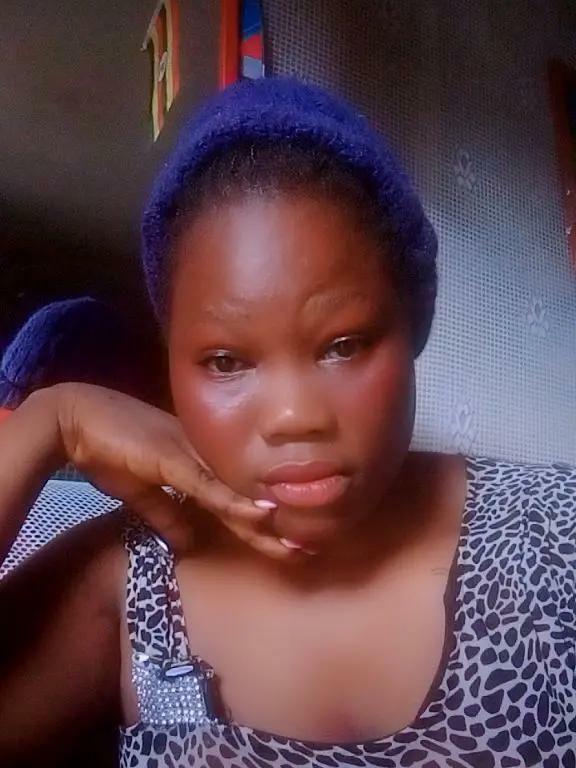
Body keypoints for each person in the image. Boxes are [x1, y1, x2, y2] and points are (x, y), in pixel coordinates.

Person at [0, 77, 573, 768]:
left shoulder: (555, 534)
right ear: (171, 363)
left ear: (412, 323)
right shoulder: (129, 580)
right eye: (225, 361)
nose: (294, 416)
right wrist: (49, 421)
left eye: (344, 345)